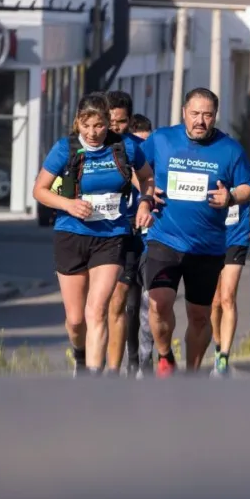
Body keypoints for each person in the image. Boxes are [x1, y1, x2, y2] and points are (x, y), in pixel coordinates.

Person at [31, 92, 155, 376]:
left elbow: (147, 177)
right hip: (71, 235)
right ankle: (80, 357)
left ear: (108, 123)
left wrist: (145, 201)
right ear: (78, 122)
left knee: (97, 310)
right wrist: (68, 204)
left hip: (111, 236)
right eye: (86, 126)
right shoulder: (65, 149)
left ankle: (94, 382)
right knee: (75, 321)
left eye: (99, 126)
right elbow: (39, 190)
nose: (93, 132)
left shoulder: (124, 149)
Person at [141, 88, 250, 377]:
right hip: (164, 238)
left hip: (207, 247)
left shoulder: (230, 149)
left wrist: (230, 197)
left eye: (207, 115)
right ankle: (165, 355)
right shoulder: (162, 139)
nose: (200, 121)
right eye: (195, 114)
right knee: (159, 302)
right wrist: (145, 190)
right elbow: (136, 168)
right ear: (184, 112)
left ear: (215, 116)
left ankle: (192, 379)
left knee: (199, 316)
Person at [210, 168, 250, 377]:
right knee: (214, 302)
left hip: (237, 238)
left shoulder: (245, 170)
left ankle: (224, 355)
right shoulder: (210, 165)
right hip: (211, 236)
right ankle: (217, 345)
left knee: (227, 297)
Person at [103, 90, 142, 376]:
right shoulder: (83, 146)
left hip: (127, 234)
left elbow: (151, 181)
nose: (115, 127)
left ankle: (113, 373)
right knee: (90, 310)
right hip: (91, 235)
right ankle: (89, 361)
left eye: (122, 122)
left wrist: (149, 201)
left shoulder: (135, 148)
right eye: (111, 121)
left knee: (119, 301)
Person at [124, 113, 154, 377]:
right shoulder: (122, 164)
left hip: (151, 243)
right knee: (130, 306)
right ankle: (132, 358)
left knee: (151, 304)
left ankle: (147, 359)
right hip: (129, 242)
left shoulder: (151, 172)